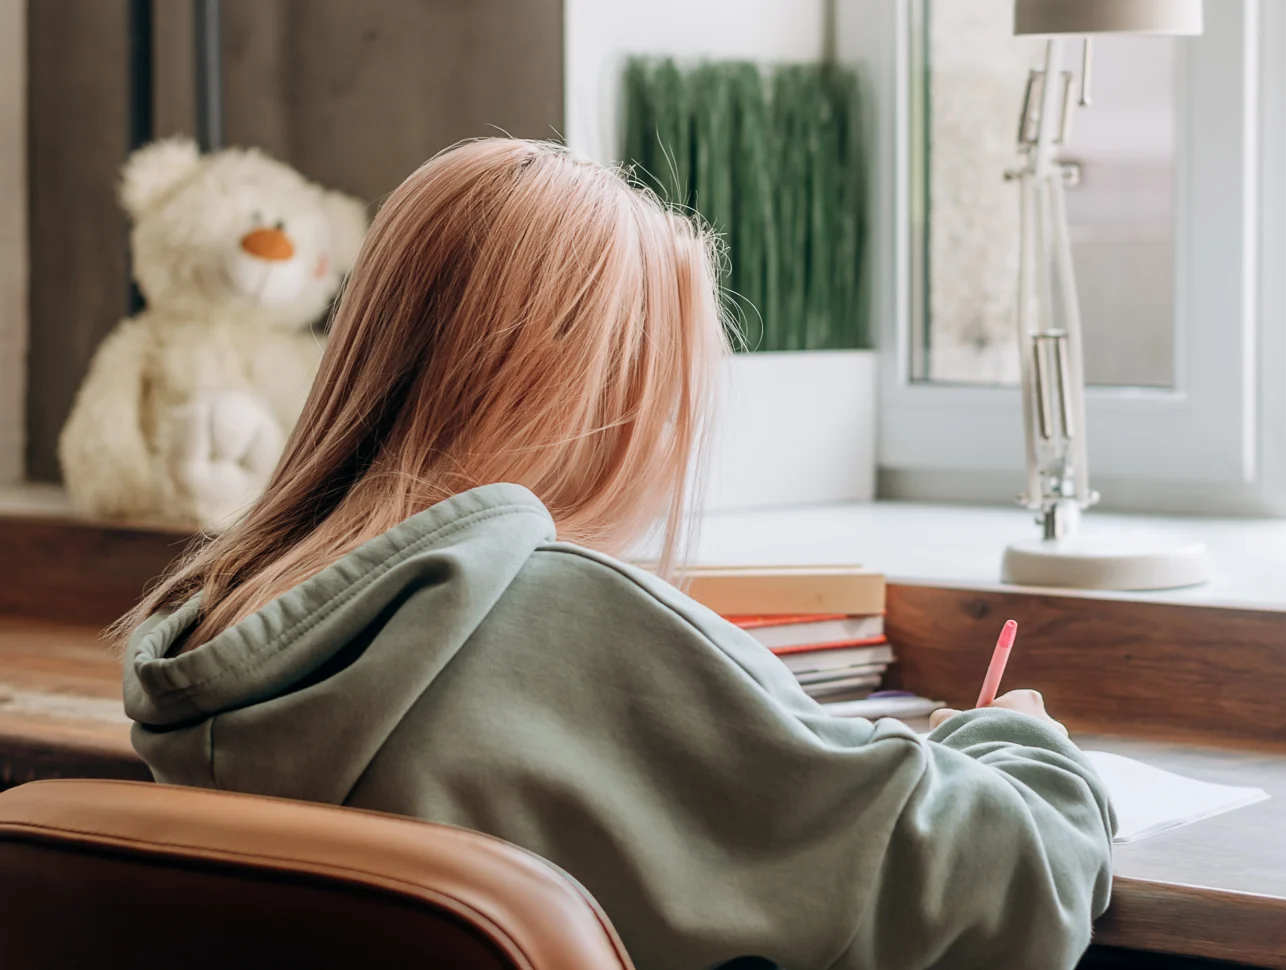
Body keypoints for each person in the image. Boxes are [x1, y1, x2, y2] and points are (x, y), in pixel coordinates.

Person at [120, 138, 1114, 970]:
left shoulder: (220, 635)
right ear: (593, 404)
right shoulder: (565, 621)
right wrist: (1020, 744)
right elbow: (1005, 888)